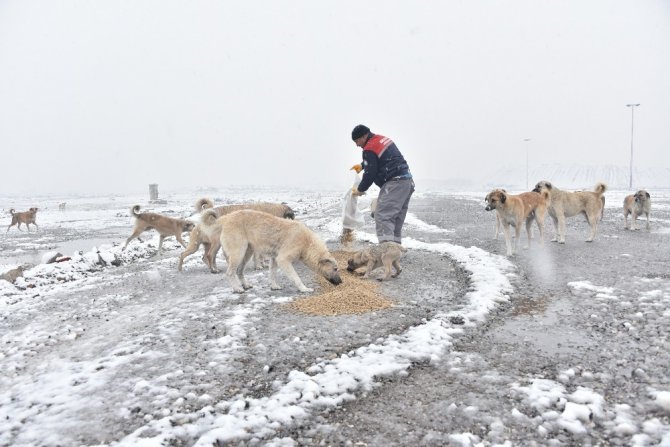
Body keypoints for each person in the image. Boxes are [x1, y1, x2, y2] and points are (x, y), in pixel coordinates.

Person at [349, 124, 415, 244]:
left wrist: (360, 189)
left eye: (357, 140)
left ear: (364, 136)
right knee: (395, 219)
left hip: (395, 183)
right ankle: (394, 253)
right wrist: (362, 165)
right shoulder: (380, 139)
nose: (357, 144)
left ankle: (386, 253)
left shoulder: (369, 148)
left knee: (382, 216)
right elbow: (381, 158)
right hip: (406, 182)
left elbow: (370, 174)